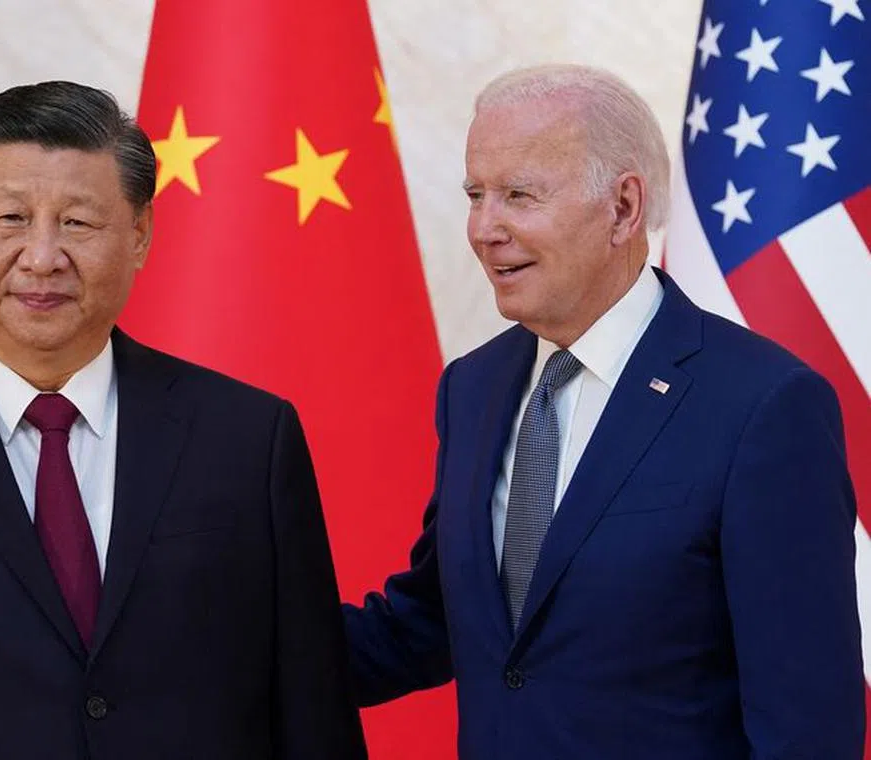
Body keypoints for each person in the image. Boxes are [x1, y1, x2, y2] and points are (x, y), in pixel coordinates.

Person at [0, 81, 366, 760]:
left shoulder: (249, 439)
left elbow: (315, 714)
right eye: (12, 219)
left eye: (77, 222)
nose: (43, 256)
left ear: (139, 233)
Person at [343, 64, 863, 758]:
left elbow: (806, 728)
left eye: (518, 195)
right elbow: (435, 621)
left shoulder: (763, 405)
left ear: (622, 208)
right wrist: (210, 632)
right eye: (476, 194)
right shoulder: (472, 387)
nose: (483, 227)